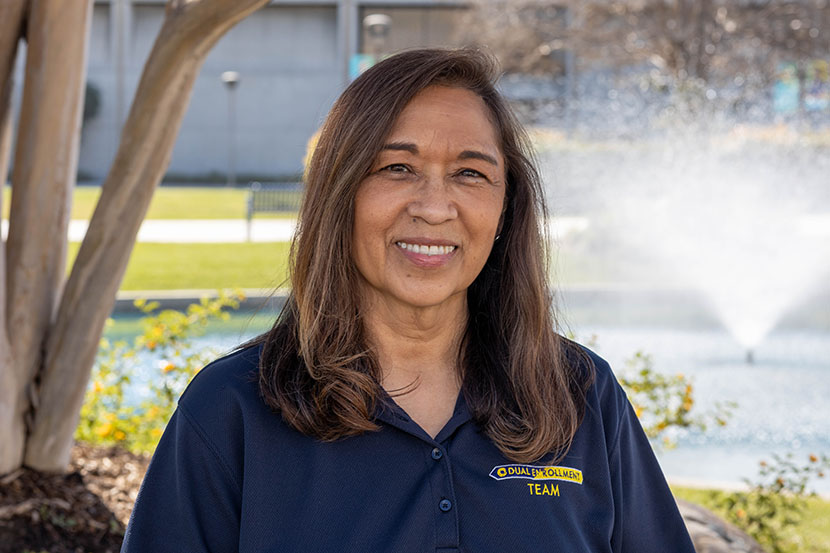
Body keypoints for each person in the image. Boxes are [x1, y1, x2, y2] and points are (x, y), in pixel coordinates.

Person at [121, 48, 696, 553]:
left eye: (470, 174)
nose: (434, 206)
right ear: (339, 193)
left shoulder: (581, 394)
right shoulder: (232, 410)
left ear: (504, 211)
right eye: (397, 168)